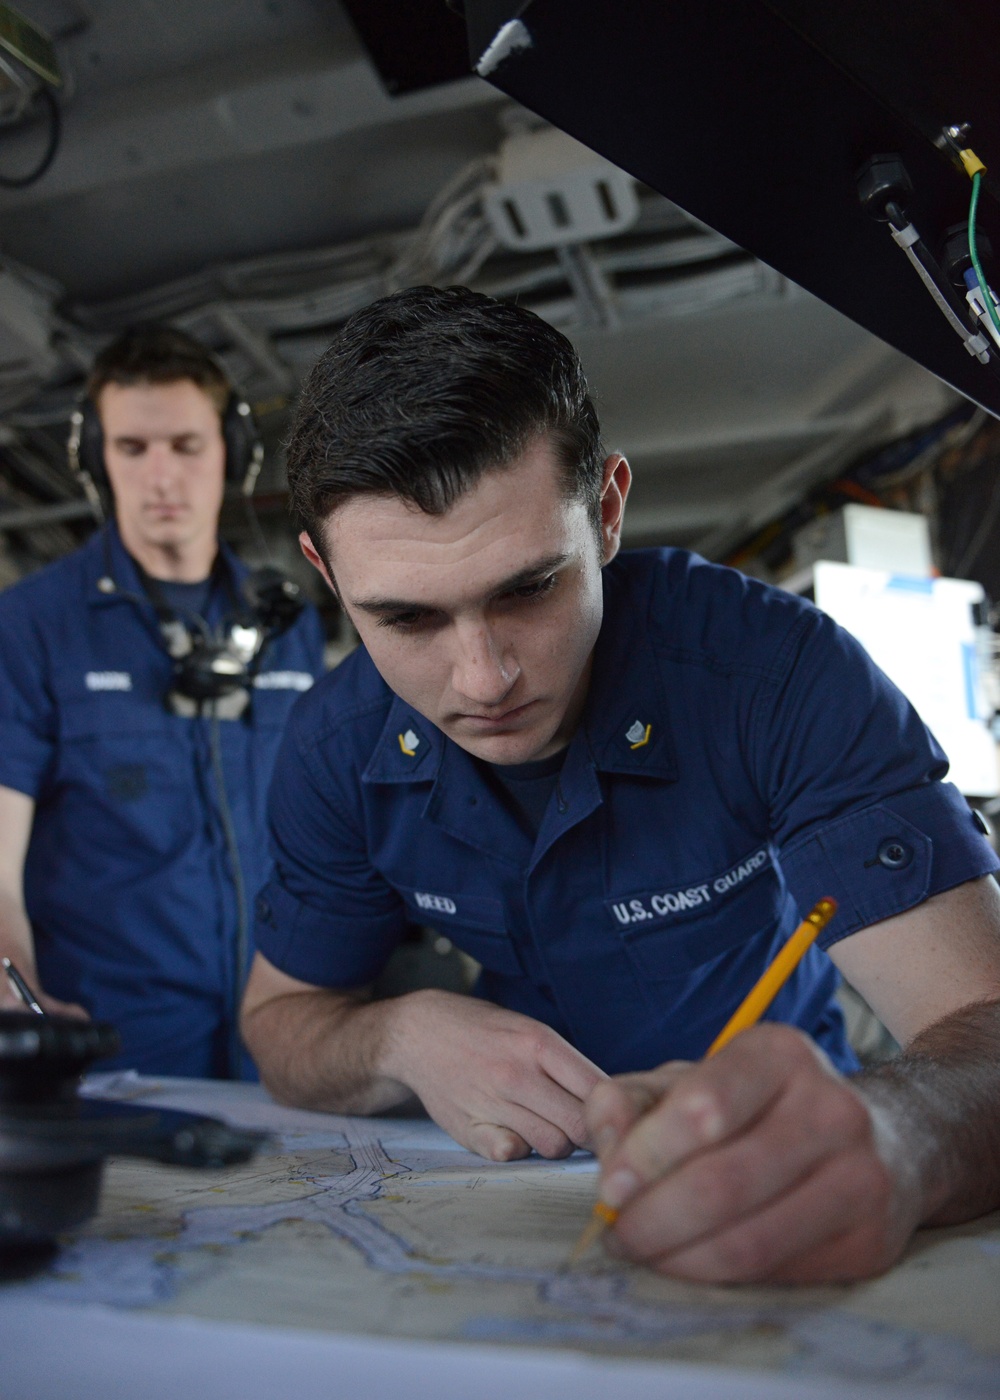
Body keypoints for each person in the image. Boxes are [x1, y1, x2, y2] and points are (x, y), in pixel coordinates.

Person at [240, 286, 1000, 1283]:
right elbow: (279, 1024)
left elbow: (983, 1022)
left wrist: (893, 1133)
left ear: (604, 509)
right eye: (408, 619)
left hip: (793, 1138)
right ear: (327, 578)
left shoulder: (774, 677)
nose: (482, 680)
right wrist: (400, 1036)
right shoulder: (334, 746)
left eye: (526, 588)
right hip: (519, 1190)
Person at [0, 325, 325, 1077]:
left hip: (281, 1035)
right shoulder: (29, 628)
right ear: (96, 462)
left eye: (186, 446)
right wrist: (17, 994)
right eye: (132, 449)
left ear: (232, 454)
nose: (162, 480)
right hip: (116, 1044)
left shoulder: (289, 626)